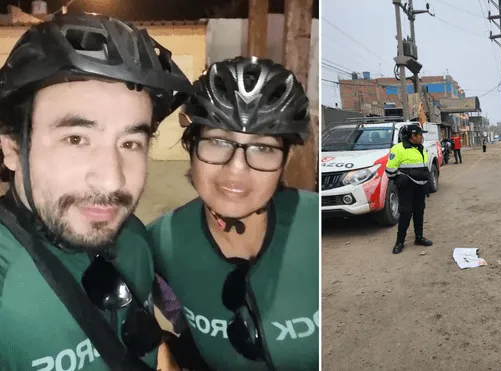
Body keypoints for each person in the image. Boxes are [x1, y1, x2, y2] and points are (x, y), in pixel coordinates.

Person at [0, 13, 192, 370]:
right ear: (13, 148)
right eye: (76, 138)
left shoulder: (133, 237)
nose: (112, 181)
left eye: (131, 142)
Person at [148, 56, 319, 370]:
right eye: (217, 142)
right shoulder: (159, 243)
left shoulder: (317, 226)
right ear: (191, 145)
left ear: (285, 158)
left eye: (263, 148)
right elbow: (178, 325)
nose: (236, 169)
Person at [385, 124, 433, 254]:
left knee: (419, 211)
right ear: (413, 136)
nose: (422, 137)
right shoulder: (398, 149)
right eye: (420, 135)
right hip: (407, 187)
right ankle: (399, 242)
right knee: (406, 213)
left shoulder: (420, 148)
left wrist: (426, 178)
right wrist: (401, 179)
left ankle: (419, 237)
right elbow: (390, 170)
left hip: (420, 185)